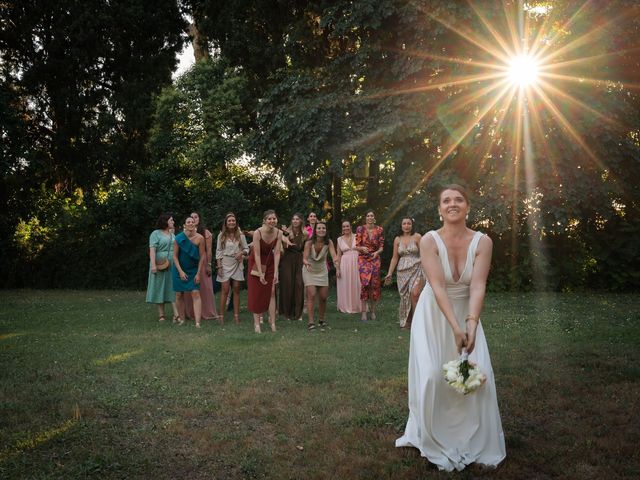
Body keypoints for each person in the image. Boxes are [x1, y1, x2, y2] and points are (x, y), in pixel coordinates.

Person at [395, 184, 506, 471]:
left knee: (477, 376)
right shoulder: (429, 241)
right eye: (446, 200)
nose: (452, 204)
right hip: (434, 314)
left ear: (468, 207)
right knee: (433, 376)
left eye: (458, 199)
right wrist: (456, 328)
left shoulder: (483, 242)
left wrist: (470, 323)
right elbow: (438, 286)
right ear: (439, 208)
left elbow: (478, 285)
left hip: (467, 311)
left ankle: (471, 436)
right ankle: (431, 433)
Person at [384, 217, 425, 328]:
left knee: (415, 294)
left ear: (412, 225)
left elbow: (424, 255)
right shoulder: (397, 239)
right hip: (402, 271)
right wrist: (389, 273)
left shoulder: (417, 237)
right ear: (401, 226)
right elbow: (394, 258)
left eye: (409, 223)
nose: (406, 226)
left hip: (417, 268)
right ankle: (408, 321)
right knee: (406, 297)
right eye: (404, 223)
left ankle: (418, 323)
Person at [247, 210, 282, 333]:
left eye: (274, 218)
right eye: (269, 219)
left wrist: (276, 272)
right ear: (264, 221)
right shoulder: (257, 233)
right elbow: (256, 253)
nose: (272, 221)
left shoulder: (279, 233)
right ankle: (257, 324)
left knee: (271, 291)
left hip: (270, 262)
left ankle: (272, 322)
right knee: (257, 291)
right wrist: (260, 273)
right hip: (256, 262)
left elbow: (277, 253)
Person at [184, 212, 220, 322]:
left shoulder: (205, 233)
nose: (194, 219)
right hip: (189, 264)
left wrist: (209, 264)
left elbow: (208, 250)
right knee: (190, 289)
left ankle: (207, 312)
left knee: (206, 288)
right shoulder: (185, 233)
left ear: (199, 219)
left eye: (196, 217)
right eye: (191, 217)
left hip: (202, 262)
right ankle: (190, 313)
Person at [303, 221, 338, 331]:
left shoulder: (329, 242)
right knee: (312, 294)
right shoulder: (309, 242)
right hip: (309, 269)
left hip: (322, 271)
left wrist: (337, 263)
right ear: (315, 230)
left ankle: (321, 320)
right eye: (319, 228)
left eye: (323, 228)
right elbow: (304, 257)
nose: (321, 230)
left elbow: (334, 255)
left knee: (323, 297)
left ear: (326, 230)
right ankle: (311, 322)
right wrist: (306, 263)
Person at [215, 212, 249, 324]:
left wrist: (242, 253)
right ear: (226, 222)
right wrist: (219, 266)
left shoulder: (240, 234)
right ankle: (221, 316)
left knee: (236, 289)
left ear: (236, 222)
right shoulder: (221, 235)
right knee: (224, 289)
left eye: (233, 220)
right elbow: (218, 251)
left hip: (237, 263)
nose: (231, 222)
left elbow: (246, 249)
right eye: (229, 220)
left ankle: (236, 315)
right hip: (225, 263)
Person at [172, 216, 206, 327]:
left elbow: (202, 257)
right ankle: (182, 320)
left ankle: (197, 322)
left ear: (195, 224)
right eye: (188, 222)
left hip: (193, 270)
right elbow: (175, 257)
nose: (191, 223)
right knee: (178, 294)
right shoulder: (178, 238)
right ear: (184, 225)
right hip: (179, 269)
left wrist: (198, 273)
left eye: (192, 222)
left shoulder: (200, 238)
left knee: (195, 292)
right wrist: (181, 272)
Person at [146, 213, 179, 322]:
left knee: (172, 286)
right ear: (165, 221)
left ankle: (176, 314)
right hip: (160, 262)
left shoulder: (172, 234)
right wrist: (153, 265)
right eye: (171, 220)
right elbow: (152, 250)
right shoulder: (155, 234)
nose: (173, 222)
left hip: (172, 263)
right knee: (160, 286)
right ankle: (161, 315)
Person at [355, 210, 384, 321]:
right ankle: (363, 312)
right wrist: (362, 248)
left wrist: (377, 252)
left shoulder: (380, 229)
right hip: (363, 259)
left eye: (372, 215)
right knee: (365, 284)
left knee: (375, 285)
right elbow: (356, 246)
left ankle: (372, 311)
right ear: (365, 218)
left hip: (375, 258)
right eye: (368, 215)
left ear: (374, 218)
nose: (370, 217)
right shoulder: (360, 229)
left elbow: (381, 246)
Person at [279, 213, 305, 321]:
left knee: (299, 284)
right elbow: (284, 247)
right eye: (293, 219)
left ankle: (298, 313)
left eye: (297, 219)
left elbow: (304, 248)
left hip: (299, 260)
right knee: (287, 285)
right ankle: (286, 313)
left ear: (301, 221)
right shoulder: (286, 232)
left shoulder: (305, 234)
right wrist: (288, 236)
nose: (295, 221)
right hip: (287, 260)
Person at [335, 220, 364, 314]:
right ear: (342, 229)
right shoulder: (339, 239)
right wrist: (338, 269)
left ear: (351, 227)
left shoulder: (357, 236)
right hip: (345, 263)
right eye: (344, 227)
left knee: (357, 283)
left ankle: (358, 306)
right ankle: (345, 306)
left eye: (347, 226)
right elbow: (338, 255)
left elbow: (363, 250)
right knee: (345, 283)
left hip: (357, 262)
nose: (346, 228)